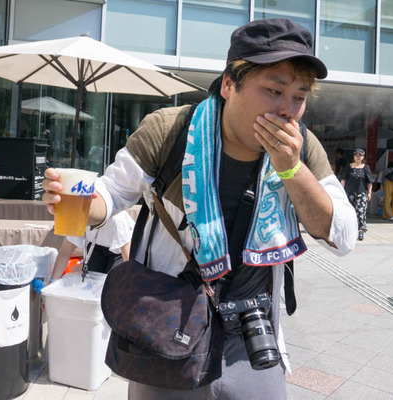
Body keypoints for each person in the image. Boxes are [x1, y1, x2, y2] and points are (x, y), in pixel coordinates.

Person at [43, 18, 357, 400]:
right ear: (229, 84)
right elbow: (109, 196)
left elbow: (343, 236)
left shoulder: (302, 147)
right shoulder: (172, 130)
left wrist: (291, 169)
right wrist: (71, 199)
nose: (287, 110)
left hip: (251, 338)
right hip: (167, 324)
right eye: (274, 91)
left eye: (299, 97)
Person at [50, 210, 134, 279]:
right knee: (90, 279)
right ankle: (79, 268)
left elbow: (128, 260)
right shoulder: (75, 215)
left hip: (120, 251)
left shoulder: (117, 219)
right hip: (95, 246)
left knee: (112, 281)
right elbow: (65, 251)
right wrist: (52, 281)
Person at [340, 148, 374, 241]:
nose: (358, 157)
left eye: (360, 155)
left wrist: (369, 193)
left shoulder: (365, 167)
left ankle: (361, 230)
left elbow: (369, 182)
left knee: (360, 211)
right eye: (356, 155)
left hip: (361, 192)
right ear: (354, 156)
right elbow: (343, 179)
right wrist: (341, 191)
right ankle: (350, 230)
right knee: (349, 211)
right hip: (349, 192)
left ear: (363, 157)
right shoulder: (348, 167)